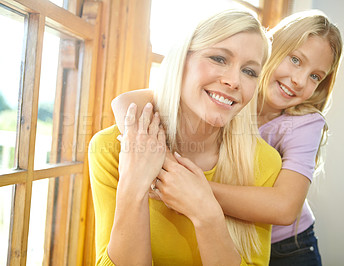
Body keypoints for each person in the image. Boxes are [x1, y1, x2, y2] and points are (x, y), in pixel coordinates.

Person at [111, 9, 344, 266]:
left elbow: (285, 208)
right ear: (268, 51)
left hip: (290, 247)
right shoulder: (229, 92)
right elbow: (126, 102)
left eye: (315, 76)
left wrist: (194, 189)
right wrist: (159, 160)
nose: (300, 80)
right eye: (296, 60)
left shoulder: (304, 124)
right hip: (234, 230)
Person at [89, 9, 282, 266]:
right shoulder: (110, 149)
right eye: (219, 58)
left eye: (249, 71)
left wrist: (207, 214)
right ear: (181, 61)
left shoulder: (264, 163)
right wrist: (133, 187)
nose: (234, 81)